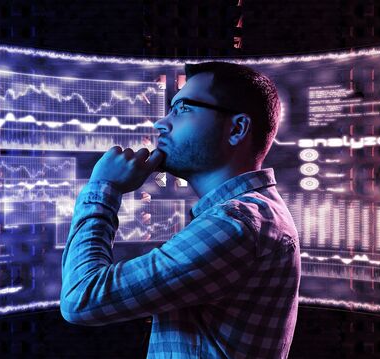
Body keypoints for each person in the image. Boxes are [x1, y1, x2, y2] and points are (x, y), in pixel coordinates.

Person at [60, 61, 301, 358]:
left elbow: (81, 299)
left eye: (183, 109)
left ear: (237, 129)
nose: (161, 124)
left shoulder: (237, 224)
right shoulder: (250, 215)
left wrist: (103, 188)